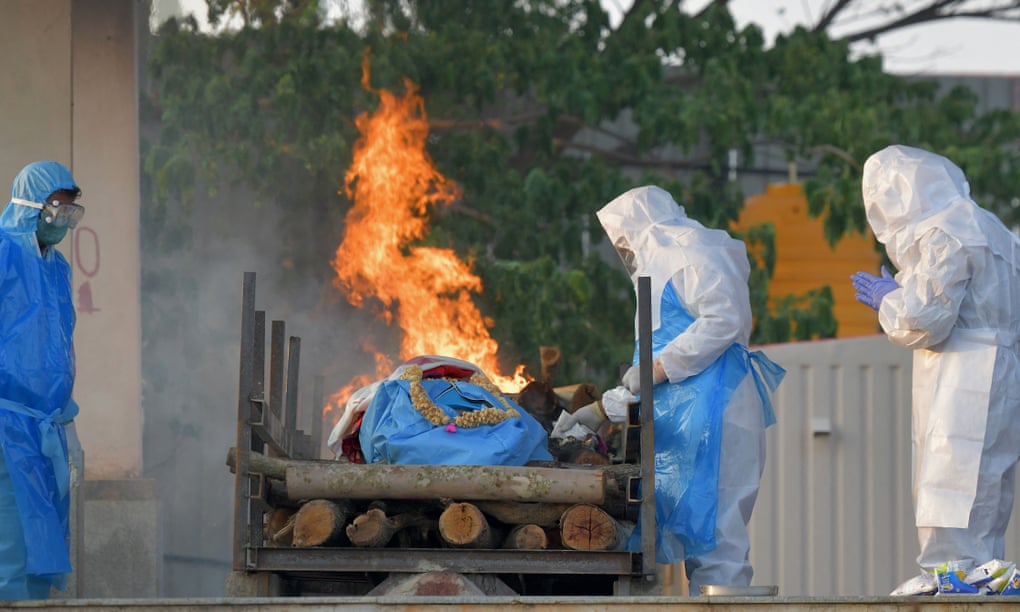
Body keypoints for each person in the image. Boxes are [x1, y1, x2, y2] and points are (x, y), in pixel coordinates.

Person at [596, 185, 785, 593]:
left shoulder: (689, 250)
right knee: (702, 536)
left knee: (718, 536)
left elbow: (723, 319)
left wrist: (659, 368)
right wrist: (638, 387)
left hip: (718, 405)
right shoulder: (665, 259)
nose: (625, 250)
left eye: (625, 239)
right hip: (695, 410)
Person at [851, 145, 1020, 593]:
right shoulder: (995, 229)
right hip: (1003, 367)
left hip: (964, 371)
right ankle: (985, 574)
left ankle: (952, 575)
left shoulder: (945, 230)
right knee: (986, 481)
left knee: (950, 475)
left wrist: (889, 298)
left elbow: (927, 318)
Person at [0, 161, 84, 599]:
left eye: (72, 211)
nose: (64, 219)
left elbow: (58, 343)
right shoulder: (3, 253)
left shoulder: (57, 267)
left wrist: (66, 416)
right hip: (7, 422)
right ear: (31, 205)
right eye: (58, 208)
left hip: (47, 424)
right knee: (11, 534)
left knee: (43, 536)